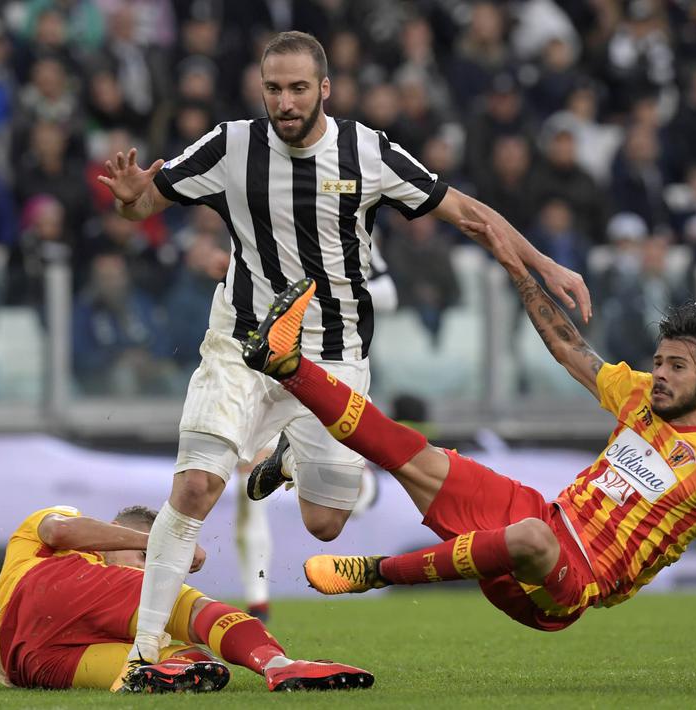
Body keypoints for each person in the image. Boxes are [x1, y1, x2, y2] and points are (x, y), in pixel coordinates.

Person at [94, 30, 591, 684]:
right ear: (261, 88)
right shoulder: (229, 145)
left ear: (324, 88)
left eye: (299, 88)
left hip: (334, 355)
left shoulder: (366, 151)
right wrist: (130, 197)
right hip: (242, 342)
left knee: (327, 522)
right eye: (274, 88)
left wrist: (543, 263)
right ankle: (144, 655)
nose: (285, 101)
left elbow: (470, 216)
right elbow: (144, 204)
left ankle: (292, 457)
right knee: (195, 486)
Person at [239, 225, 696, 637]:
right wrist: (517, 271)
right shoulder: (641, 395)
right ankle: (284, 363)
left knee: (531, 538)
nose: (661, 376)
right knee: (419, 455)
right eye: (661, 362)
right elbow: (568, 347)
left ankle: (374, 572)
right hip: (542, 514)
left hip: (570, 585)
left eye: (677, 368)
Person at [0, 504, 373, 693]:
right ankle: (277, 663)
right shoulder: (69, 542)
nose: (145, 571)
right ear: (116, 532)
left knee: (193, 664)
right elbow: (57, 532)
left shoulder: (110, 593)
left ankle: (146, 679)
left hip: (22, 661)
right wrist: (162, 546)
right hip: (42, 589)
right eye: (145, 561)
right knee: (190, 608)